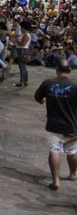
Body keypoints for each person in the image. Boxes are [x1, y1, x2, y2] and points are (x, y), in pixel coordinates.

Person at [34, 59, 77, 190]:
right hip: (71, 124)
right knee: (72, 151)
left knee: (54, 151)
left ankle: (56, 181)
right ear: (69, 71)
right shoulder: (75, 87)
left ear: (57, 70)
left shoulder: (48, 83)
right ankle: (73, 173)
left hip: (53, 124)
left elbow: (37, 97)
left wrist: (43, 101)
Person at [13, 21, 32, 87]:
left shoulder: (26, 35)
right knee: (23, 66)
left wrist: (16, 41)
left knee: (22, 66)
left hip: (23, 50)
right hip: (22, 50)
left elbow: (23, 43)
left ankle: (22, 81)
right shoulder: (25, 34)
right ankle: (25, 80)